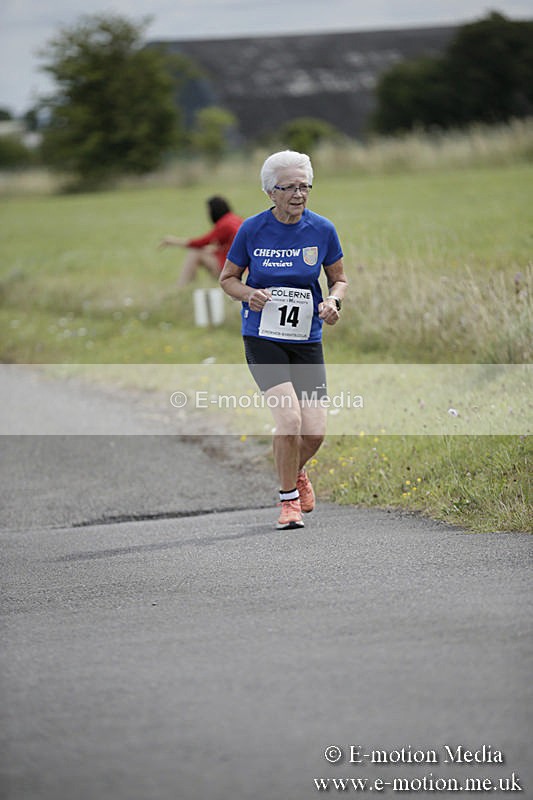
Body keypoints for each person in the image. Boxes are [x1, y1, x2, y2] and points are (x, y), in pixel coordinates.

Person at [219, 150, 348, 530]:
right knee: (289, 421)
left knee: (315, 431)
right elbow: (228, 278)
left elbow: (338, 278)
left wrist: (333, 301)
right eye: (288, 187)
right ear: (270, 192)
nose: (298, 193)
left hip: (306, 338)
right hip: (263, 337)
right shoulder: (252, 230)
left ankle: (294, 472)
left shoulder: (322, 229)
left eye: (304, 186)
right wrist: (248, 295)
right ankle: (288, 501)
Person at [159, 196, 243, 288]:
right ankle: (190, 285)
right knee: (205, 250)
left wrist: (173, 241)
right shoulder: (235, 219)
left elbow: (201, 242)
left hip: (230, 269)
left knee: (195, 252)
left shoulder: (225, 224)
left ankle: (182, 285)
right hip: (240, 268)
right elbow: (230, 245)